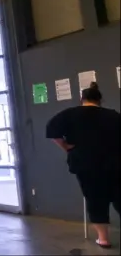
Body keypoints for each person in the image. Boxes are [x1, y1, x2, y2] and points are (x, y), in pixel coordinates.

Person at [46, 82, 120, 249]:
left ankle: (103, 239)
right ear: (100, 100)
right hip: (114, 163)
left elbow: (51, 130)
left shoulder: (69, 114)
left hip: (85, 164)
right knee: (119, 197)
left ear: (82, 99)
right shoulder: (113, 115)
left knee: (95, 199)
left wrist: (65, 146)